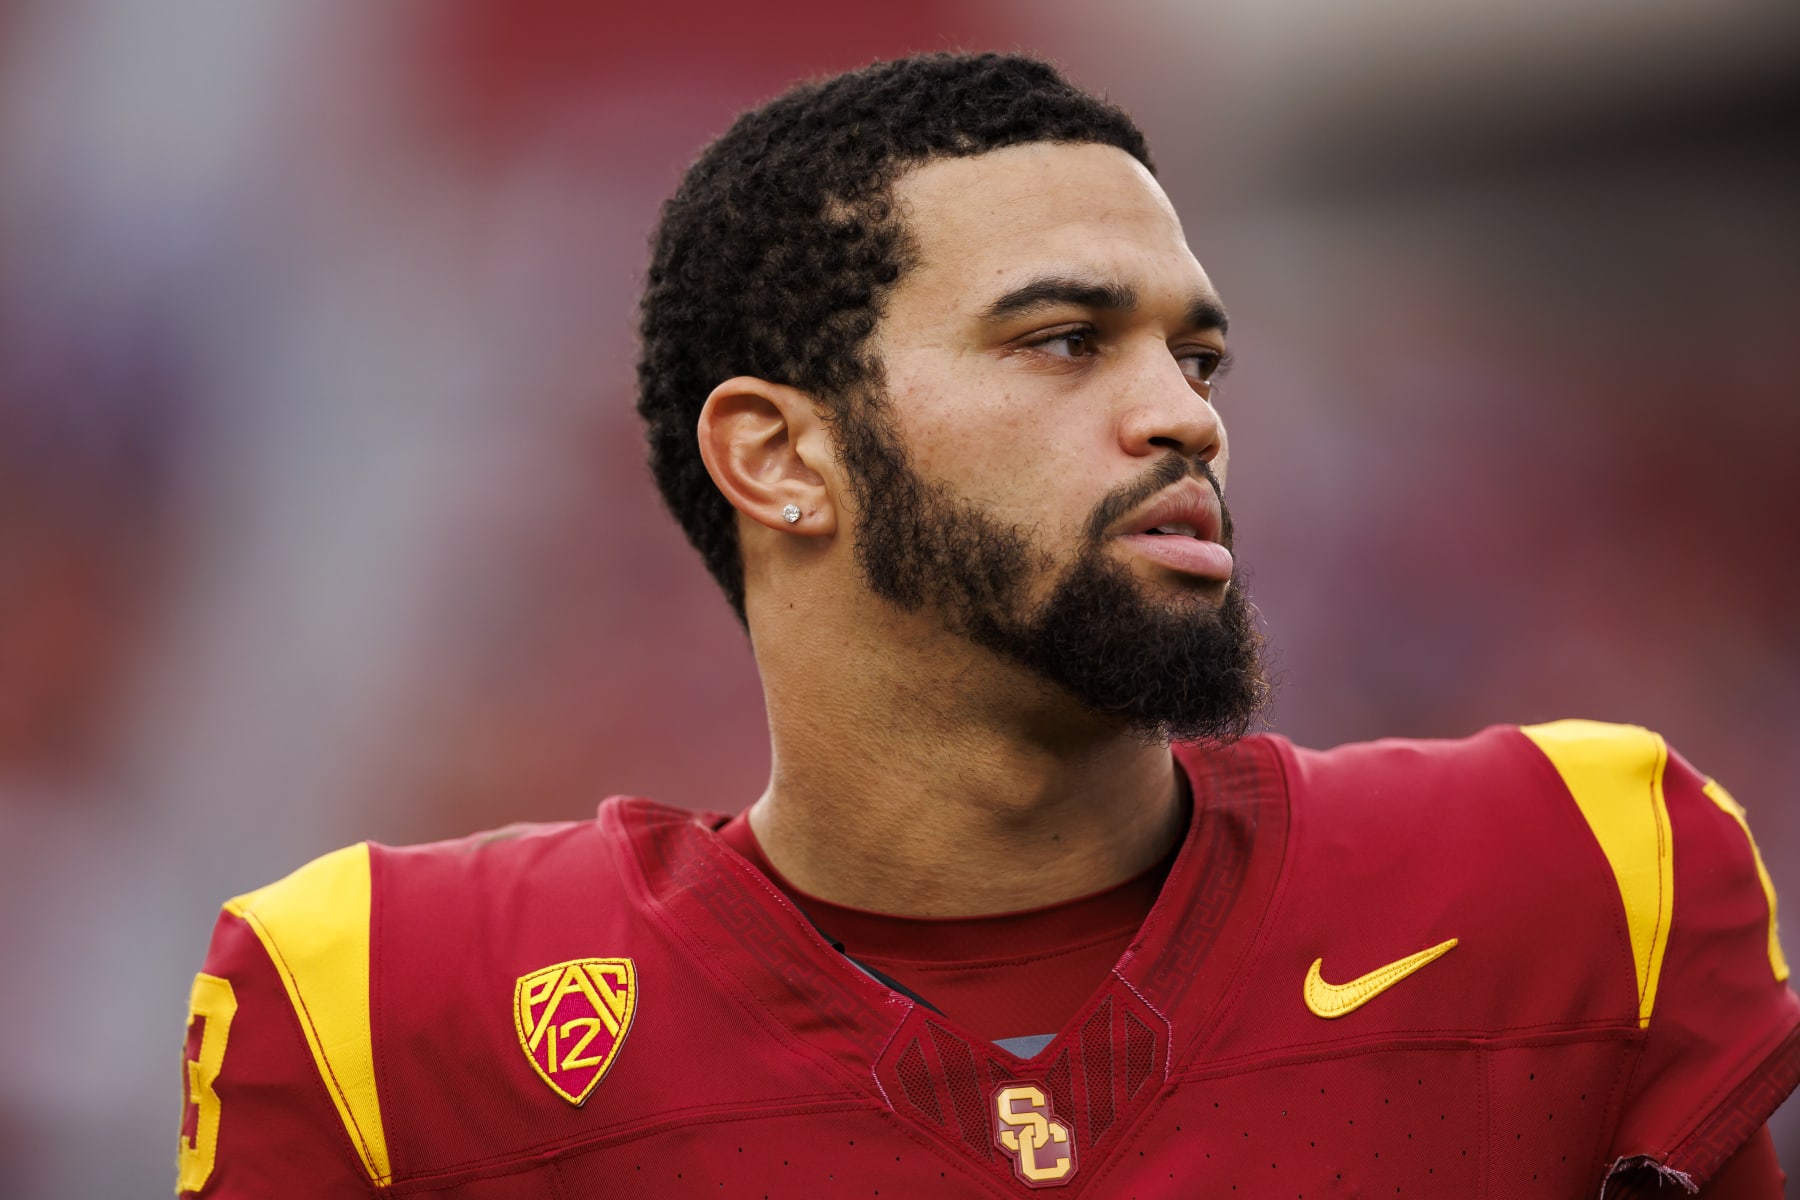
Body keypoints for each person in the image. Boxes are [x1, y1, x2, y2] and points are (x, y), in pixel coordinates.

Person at [176, 53, 1797, 1197]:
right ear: (780, 455)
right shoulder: (392, 1016)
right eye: (1064, 341)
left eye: (1198, 355)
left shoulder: (1572, 875)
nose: (1185, 418)